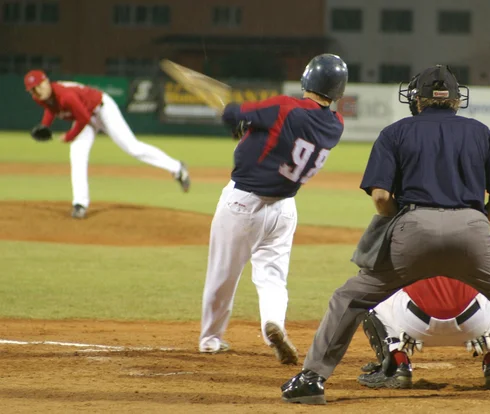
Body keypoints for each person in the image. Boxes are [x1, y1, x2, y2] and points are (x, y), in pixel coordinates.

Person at [281, 65, 490, 406]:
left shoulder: (395, 133)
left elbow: (380, 197)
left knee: (350, 299)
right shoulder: (482, 133)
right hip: (472, 229)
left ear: (417, 100)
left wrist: (400, 222)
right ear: (456, 100)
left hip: (412, 229)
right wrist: (479, 226)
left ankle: (312, 380)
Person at [199, 54, 348, 365]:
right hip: (284, 209)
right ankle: (274, 324)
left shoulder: (286, 105)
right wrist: (251, 129)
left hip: (243, 204)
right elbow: (279, 132)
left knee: (222, 275)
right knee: (272, 276)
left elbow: (234, 113)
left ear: (307, 79)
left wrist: (234, 116)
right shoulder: (336, 124)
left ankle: (211, 340)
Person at [358, 217, 490, 390]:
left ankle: (396, 366)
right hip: (477, 326)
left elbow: (372, 272)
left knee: (368, 288)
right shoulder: (483, 220)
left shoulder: (401, 219)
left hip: (412, 324)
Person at [25, 70, 190, 219]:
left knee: (132, 147)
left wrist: (69, 136)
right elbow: (51, 108)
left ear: (46, 81)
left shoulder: (66, 95)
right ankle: (80, 204)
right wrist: (45, 125)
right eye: (32, 89)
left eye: (38, 86)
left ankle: (177, 167)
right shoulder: (39, 97)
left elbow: (83, 119)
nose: (37, 91)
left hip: (102, 109)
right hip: (86, 116)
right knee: (77, 154)